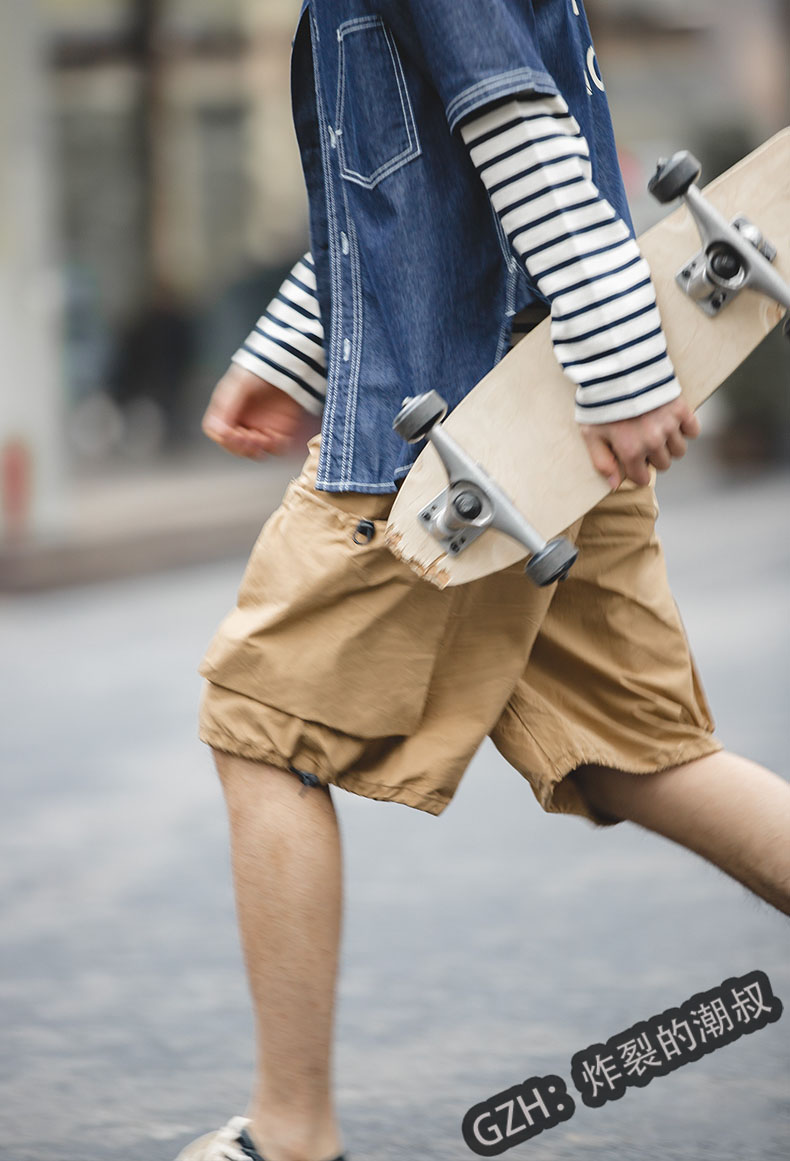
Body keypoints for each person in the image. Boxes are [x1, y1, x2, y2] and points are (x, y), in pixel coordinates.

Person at [177, 3, 790, 1159]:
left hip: (451, 444)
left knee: (263, 726)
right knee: (646, 756)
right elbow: (418, 174)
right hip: (540, 408)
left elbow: (519, 127)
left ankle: (290, 1136)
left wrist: (622, 374)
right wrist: (290, 350)